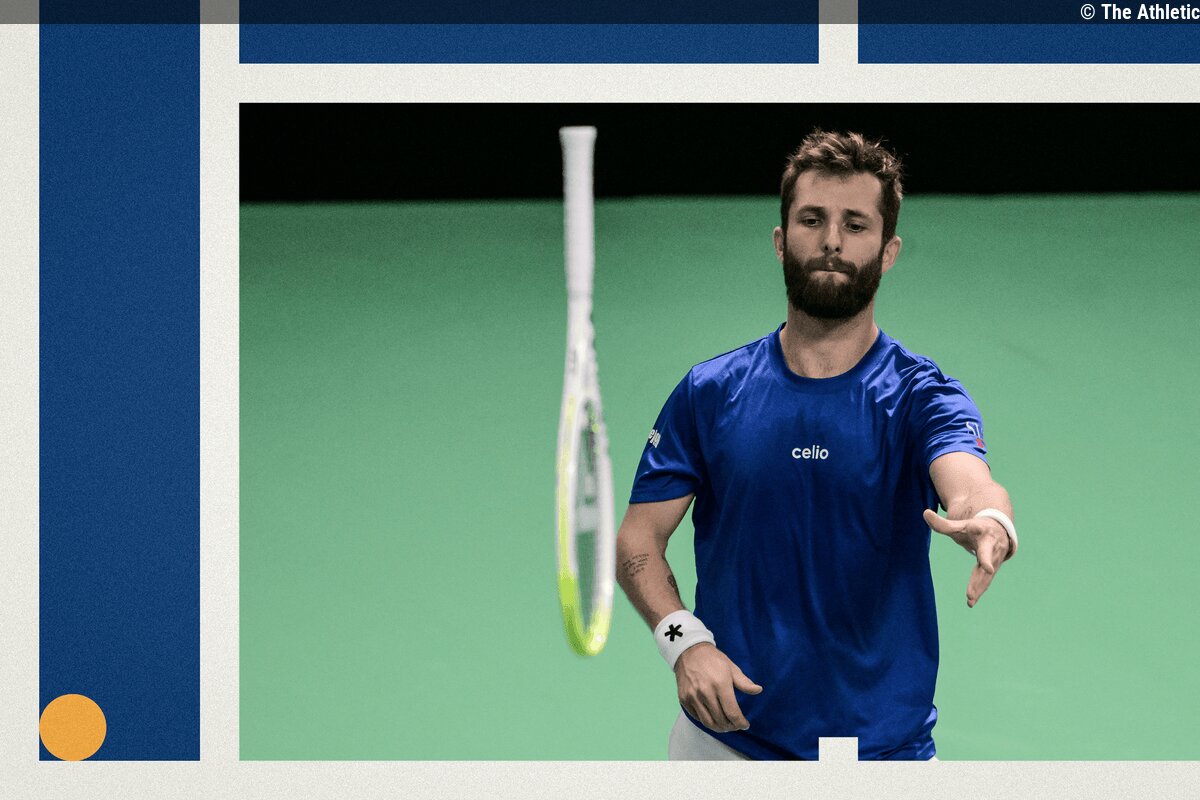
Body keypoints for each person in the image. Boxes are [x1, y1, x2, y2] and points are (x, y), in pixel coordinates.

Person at [615, 130, 1017, 762]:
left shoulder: (922, 395)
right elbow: (638, 540)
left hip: (884, 758)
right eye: (812, 220)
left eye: (855, 225)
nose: (832, 240)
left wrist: (989, 519)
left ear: (888, 252)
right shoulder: (710, 392)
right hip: (725, 750)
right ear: (781, 241)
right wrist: (683, 643)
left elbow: (968, 482)